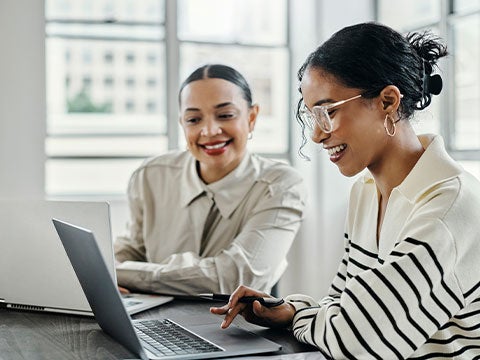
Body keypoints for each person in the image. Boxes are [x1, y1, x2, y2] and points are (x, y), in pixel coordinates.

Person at [211, 22, 480, 358]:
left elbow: (356, 342)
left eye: (329, 112)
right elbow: (341, 304)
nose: (317, 135)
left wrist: (304, 316)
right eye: (313, 116)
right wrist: (291, 311)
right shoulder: (365, 191)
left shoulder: (449, 208)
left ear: (387, 101)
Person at [114, 64, 306, 296]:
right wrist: (105, 273)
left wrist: (122, 273)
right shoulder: (151, 175)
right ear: (182, 124)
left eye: (225, 115)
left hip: (237, 327)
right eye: (194, 119)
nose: (210, 130)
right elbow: (132, 249)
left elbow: (237, 279)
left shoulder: (281, 185)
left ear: (252, 117)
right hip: (155, 321)